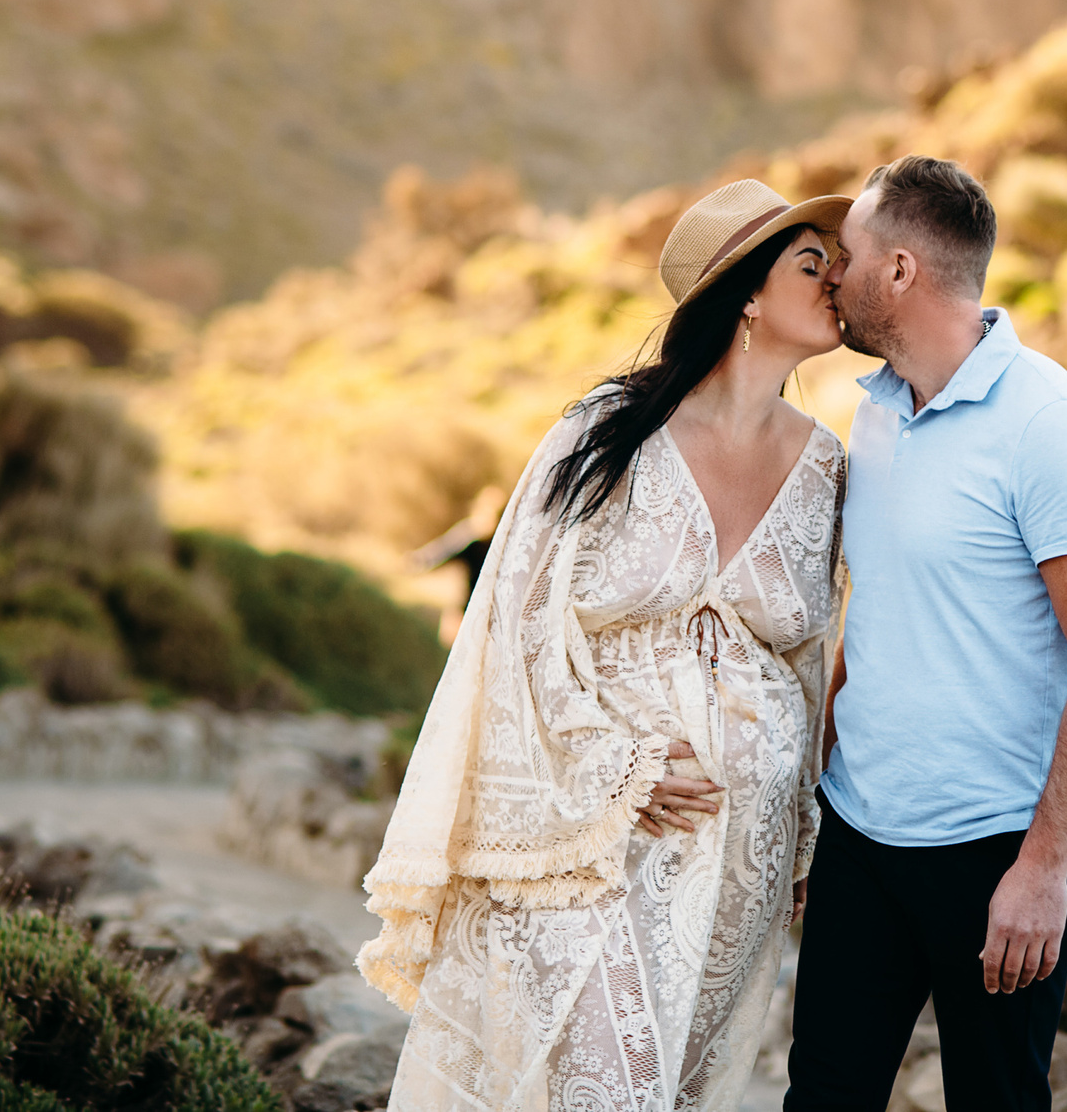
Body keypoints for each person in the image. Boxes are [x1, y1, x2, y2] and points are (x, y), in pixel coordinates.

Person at [362, 179, 855, 1112]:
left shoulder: (828, 462)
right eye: (810, 261)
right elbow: (518, 627)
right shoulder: (606, 434)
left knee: (677, 1091)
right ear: (744, 291)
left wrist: (800, 839)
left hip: (740, 861)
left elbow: (808, 658)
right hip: (598, 836)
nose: (837, 278)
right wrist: (618, 766)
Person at [786, 156, 1067, 1112]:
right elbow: (876, 614)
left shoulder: (1051, 428)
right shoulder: (873, 411)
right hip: (861, 835)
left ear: (900, 271)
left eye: (848, 255)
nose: (832, 276)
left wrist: (1043, 869)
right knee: (822, 1096)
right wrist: (821, 795)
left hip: (997, 854)